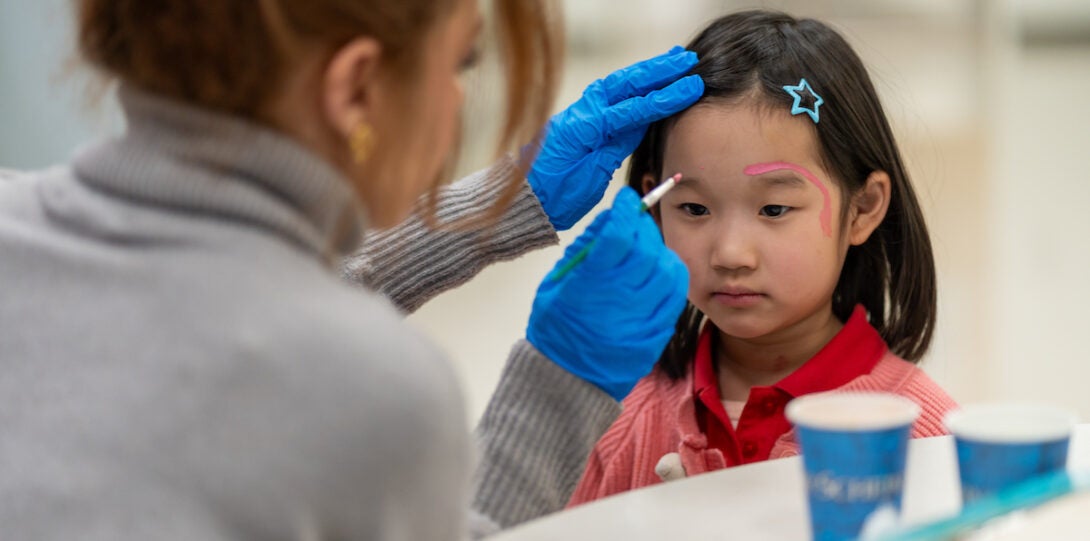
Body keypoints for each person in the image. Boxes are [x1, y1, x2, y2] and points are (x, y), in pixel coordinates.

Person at [0, 0, 700, 538]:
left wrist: (497, 205)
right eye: (460, 64)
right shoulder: (374, 393)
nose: (458, 103)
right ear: (357, 87)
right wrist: (557, 389)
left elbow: (215, 301)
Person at [566, 9, 959, 506]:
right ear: (655, 206)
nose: (731, 253)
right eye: (694, 208)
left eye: (774, 208)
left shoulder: (926, 441)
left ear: (862, 208)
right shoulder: (620, 423)